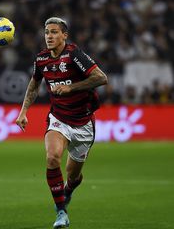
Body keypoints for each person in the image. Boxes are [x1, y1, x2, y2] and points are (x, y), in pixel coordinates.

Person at [15, 17, 108, 228]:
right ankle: (61, 212)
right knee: (52, 157)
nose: (49, 36)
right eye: (47, 32)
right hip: (58, 118)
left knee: (73, 175)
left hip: (83, 123)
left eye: (54, 32)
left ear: (64, 35)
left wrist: (71, 87)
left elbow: (101, 78)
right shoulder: (41, 60)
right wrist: (23, 112)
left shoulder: (74, 55)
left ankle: (69, 191)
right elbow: (33, 85)